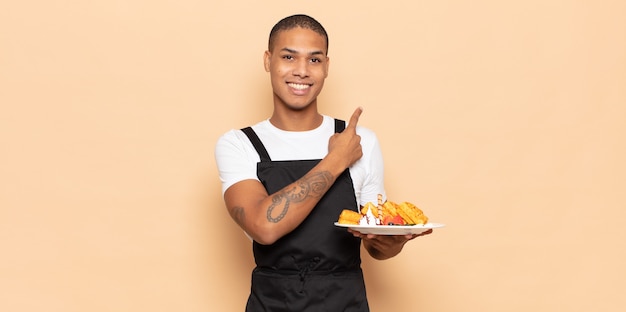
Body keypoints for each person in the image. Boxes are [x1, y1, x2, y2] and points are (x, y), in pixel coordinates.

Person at [215, 14, 432, 311]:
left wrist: (393, 242)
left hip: (346, 303)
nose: (302, 71)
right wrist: (336, 160)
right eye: (289, 57)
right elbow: (263, 226)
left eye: (314, 60)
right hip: (273, 303)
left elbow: (374, 244)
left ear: (327, 67)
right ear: (268, 61)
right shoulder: (238, 144)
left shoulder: (361, 141)